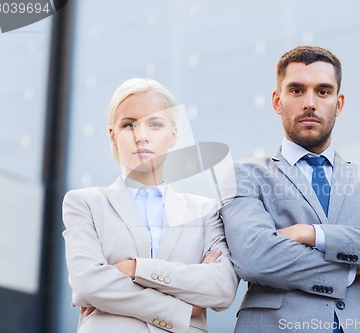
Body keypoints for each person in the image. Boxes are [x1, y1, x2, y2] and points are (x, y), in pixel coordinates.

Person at [220, 46, 360, 333]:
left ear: (339, 102)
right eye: (296, 91)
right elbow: (255, 258)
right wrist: (358, 263)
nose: (310, 103)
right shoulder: (244, 175)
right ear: (277, 100)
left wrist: (310, 234)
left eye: (323, 91)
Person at [62, 78, 238, 333]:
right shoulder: (85, 203)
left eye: (155, 124)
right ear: (113, 136)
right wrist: (185, 309)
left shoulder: (205, 211)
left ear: (174, 135)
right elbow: (88, 285)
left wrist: (135, 268)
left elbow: (221, 289)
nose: (141, 136)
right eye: (129, 125)